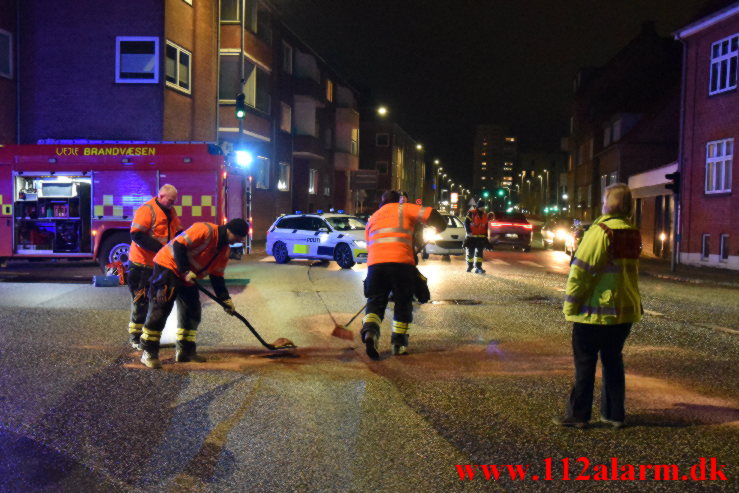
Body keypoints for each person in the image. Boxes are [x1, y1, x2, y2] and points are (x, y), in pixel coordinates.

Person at [554, 183, 642, 429]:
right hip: (623, 312)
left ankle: (578, 415)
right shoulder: (632, 232)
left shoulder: (600, 231)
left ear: (607, 203)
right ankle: (614, 415)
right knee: (613, 361)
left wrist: (570, 307)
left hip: (594, 312)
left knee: (585, 363)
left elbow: (581, 272)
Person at [139, 218, 249, 369]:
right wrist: (185, 270)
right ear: (230, 231)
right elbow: (178, 245)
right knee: (161, 309)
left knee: (192, 311)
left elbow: (217, 277)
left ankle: (185, 351)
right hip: (168, 267)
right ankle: (149, 352)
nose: (239, 240)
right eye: (238, 237)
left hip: (188, 277)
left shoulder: (224, 250)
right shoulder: (205, 229)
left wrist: (226, 299)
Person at [361, 190, 446, 359]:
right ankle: (398, 344)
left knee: (375, 301)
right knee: (403, 301)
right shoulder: (404, 208)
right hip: (401, 264)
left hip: (376, 265)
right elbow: (433, 215)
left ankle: (370, 332)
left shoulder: (374, 217)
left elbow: (370, 245)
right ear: (397, 201)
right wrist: (439, 226)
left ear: (381, 203)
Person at [126, 184, 181, 349]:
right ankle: (135, 337)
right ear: (161, 196)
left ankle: (148, 336)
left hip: (158, 263)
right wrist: (162, 249)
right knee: (141, 301)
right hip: (142, 264)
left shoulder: (170, 211)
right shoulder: (147, 210)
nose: (173, 204)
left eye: (174, 201)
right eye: (170, 200)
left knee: (155, 301)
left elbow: (177, 232)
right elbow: (136, 234)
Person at [464, 200, 491, 274]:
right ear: (478, 207)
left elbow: (485, 226)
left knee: (479, 253)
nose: (483, 208)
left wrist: (486, 237)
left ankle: (478, 267)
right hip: (472, 237)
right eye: (482, 207)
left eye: (484, 207)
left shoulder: (485, 215)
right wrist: (468, 232)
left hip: (481, 237)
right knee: (470, 253)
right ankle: (470, 266)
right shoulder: (472, 213)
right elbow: (466, 223)